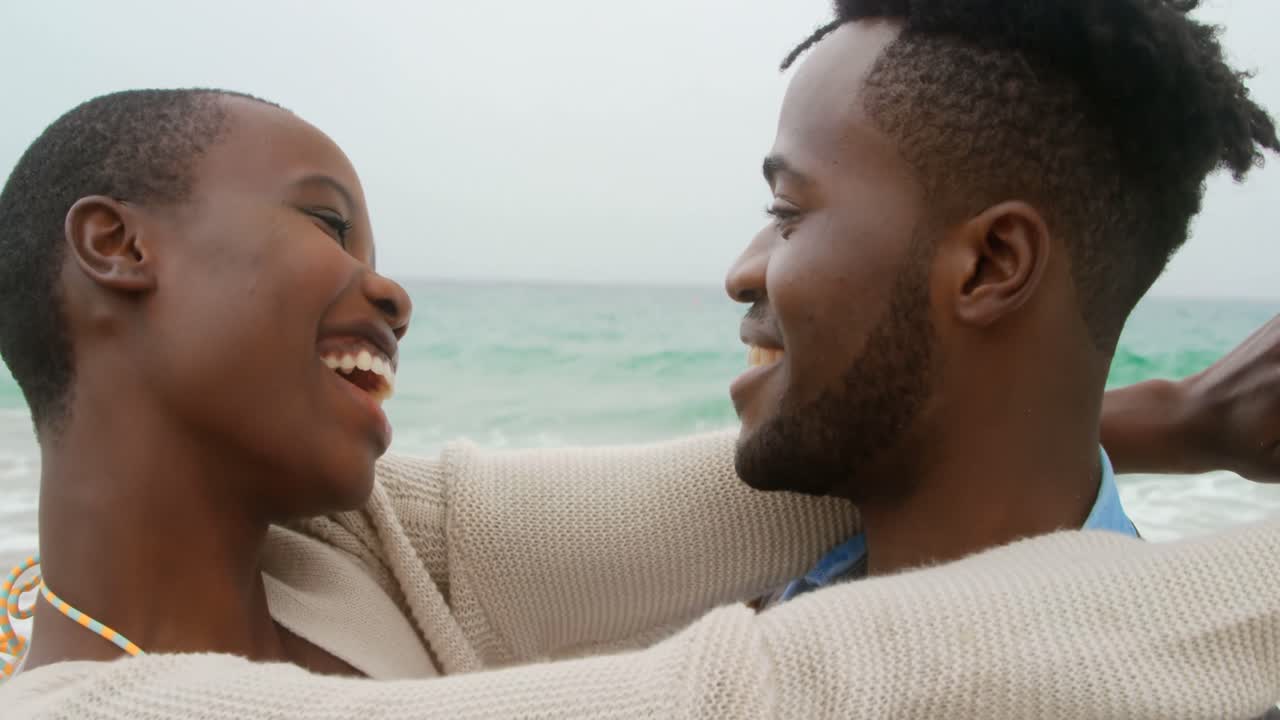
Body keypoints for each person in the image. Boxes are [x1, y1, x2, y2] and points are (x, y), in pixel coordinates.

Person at [2, 6, 1280, 715]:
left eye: (787, 213)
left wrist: (1180, 419)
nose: (389, 290)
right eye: (325, 221)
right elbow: (776, 693)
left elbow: (763, 474)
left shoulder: (345, 553)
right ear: (116, 247)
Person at [722, 0, 1280, 604]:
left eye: (786, 213)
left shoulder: (1161, 696)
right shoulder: (738, 594)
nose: (741, 274)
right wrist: (1179, 419)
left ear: (991, 264)